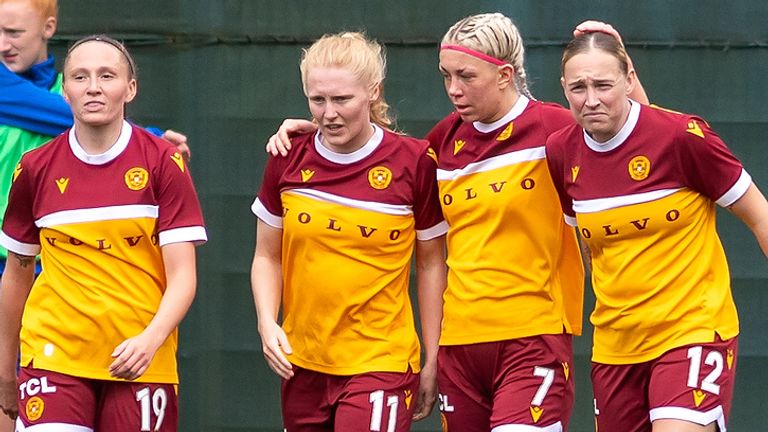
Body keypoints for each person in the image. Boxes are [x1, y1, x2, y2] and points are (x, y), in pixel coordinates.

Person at [264, 15, 647, 431]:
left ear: (504, 75)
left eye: (466, 76)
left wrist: (623, 65)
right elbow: (380, 159)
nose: (453, 89)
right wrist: (315, 135)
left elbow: (641, 137)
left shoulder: (553, 127)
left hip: (533, 334)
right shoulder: (442, 141)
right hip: (459, 342)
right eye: (446, 75)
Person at [545, 31, 768, 432]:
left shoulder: (683, 137)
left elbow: (759, 215)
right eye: (578, 87)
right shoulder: (562, 151)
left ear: (629, 78)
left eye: (603, 85)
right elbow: (588, 245)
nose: (591, 99)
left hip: (692, 329)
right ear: (563, 88)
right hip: (616, 347)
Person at [0, 35, 207, 430]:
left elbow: (183, 276)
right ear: (65, 90)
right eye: (80, 76)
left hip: (141, 359)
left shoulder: (163, 161)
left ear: (130, 88)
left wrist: (150, 340)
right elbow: (17, 273)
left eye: (106, 75)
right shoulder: (34, 168)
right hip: (53, 355)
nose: (93, 86)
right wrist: (5, 369)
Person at [250, 32, 447, 431]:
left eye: (342, 99)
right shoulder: (286, 156)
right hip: (301, 363)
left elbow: (431, 265)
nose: (328, 113)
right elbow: (267, 256)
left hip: (382, 361)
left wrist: (433, 357)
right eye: (317, 100)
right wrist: (267, 323)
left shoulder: (414, 162)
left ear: (373, 92)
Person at [0, 0, 190, 273]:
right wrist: (150, 138)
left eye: (13, 32)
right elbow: (65, 114)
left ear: (48, 27)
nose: (2, 45)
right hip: (10, 260)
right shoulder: (57, 101)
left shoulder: (65, 88)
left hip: (69, 263)